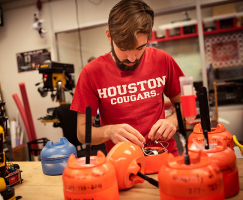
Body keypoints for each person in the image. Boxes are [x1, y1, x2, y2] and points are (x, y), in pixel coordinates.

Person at [70, 0, 184, 156]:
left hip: (165, 158)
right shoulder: (91, 73)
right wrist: (108, 131)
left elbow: (186, 107)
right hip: (123, 164)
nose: (132, 58)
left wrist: (174, 120)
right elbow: (82, 133)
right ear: (109, 35)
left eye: (140, 48)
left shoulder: (163, 60)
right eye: (124, 49)